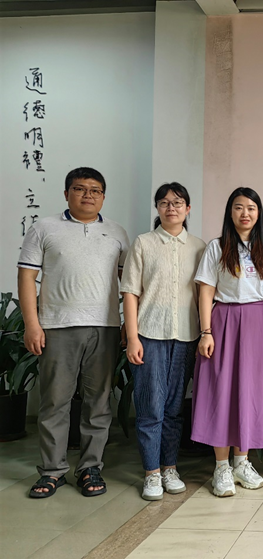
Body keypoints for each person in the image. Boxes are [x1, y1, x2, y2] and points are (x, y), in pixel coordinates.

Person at [19, 167, 130, 499]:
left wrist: (128, 323)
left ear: (103, 197)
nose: (88, 195)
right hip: (57, 327)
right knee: (55, 401)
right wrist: (32, 324)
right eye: (80, 189)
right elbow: (26, 278)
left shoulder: (117, 232)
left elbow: (128, 284)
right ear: (66, 193)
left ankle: (90, 467)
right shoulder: (43, 228)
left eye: (95, 190)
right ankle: (52, 470)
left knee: (99, 402)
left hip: (104, 327)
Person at [192, 187, 263, 497]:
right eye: (238, 207)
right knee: (222, 389)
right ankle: (221, 467)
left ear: (259, 213)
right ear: (230, 212)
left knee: (251, 391)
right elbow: (206, 290)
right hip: (224, 321)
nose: (245, 213)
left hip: (259, 323)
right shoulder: (217, 247)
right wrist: (206, 331)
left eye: (251, 208)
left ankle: (241, 462)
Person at [121, 183, 206, 501]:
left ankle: (170, 467)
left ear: (188, 208)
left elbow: (204, 295)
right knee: (150, 407)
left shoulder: (199, 247)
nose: (171, 208)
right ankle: (151, 473)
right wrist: (132, 338)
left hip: (186, 336)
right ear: (157, 208)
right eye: (165, 203)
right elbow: (130, 292)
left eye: (178, 202)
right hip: (150, 335)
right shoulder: (143, 243)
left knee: (174, 408)